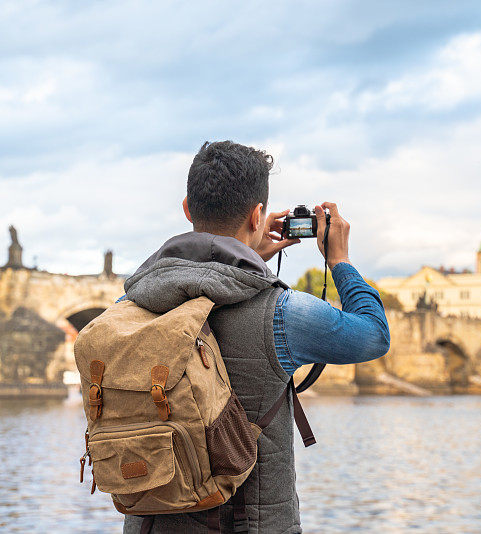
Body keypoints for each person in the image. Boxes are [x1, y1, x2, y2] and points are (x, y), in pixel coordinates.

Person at [121, 141, 390, 534]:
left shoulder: (134, 301)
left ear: (187, 209)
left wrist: (243, 258)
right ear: (258, 215)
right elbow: (373, 335)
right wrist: (339, 261)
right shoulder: (281, 312)